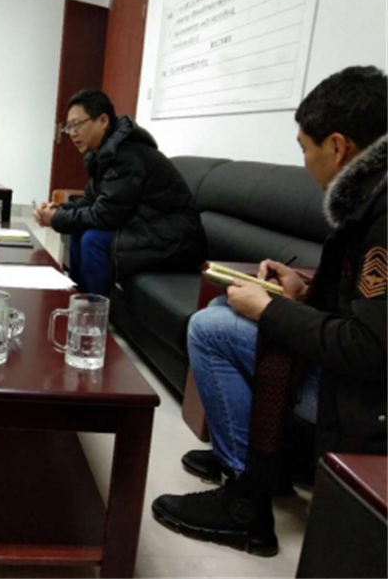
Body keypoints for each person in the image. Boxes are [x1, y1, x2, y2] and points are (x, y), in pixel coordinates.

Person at [152, 66, 388, 556]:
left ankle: (246, 497)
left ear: (338, 146)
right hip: (359, 382)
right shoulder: (368, 197)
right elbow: (361, 305)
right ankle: (262, 462)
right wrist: (302, 291)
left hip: (369, 406)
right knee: (226, 308)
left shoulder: (383, 218)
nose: (304, 161)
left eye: (304, 147)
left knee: (212, 327)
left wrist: (270, 312)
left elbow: (370, 348)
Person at [34, 89, 205, 296]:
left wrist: (56, 218)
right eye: (69, 127)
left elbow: (105, 215)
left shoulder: (126, 155)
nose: (72, 133)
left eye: (77, 124)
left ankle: (93, 310)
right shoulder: (103, 155)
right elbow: (91, 201)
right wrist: (60, 210)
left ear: (103, 121)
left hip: (176, 240)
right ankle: (77, 299)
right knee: (79, 230)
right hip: (144, 225)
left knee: (93, 239)